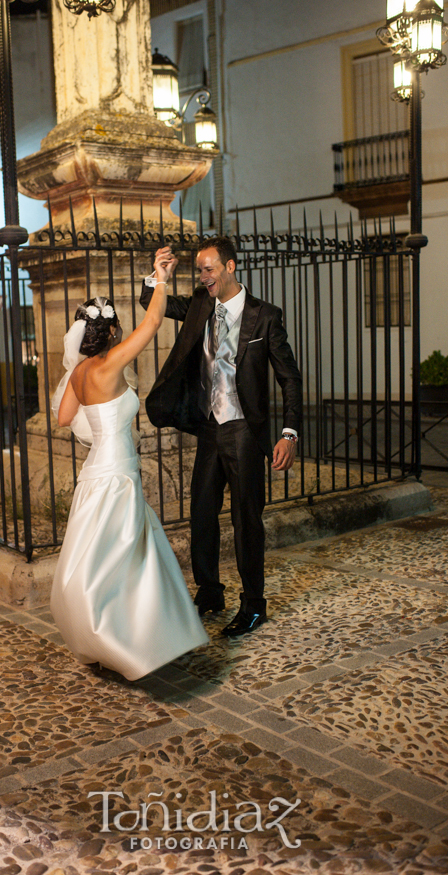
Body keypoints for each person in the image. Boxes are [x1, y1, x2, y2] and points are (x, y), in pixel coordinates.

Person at [49, 261, 209, 681]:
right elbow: (154, 320)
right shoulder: (111, 364)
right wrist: (159, 278)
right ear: (114, 332)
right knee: (124, 558)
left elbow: (65, 419)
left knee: (99, 558)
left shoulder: (78, 374)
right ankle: (129, 640)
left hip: (94, 471)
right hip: (118, 473)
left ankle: (105, 637)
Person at [140, 236, 303, 637]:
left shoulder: (265, 316)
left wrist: (289, 434)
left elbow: (290, 379)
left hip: (245, 428)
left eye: (209, 269)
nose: (203, 277)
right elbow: (153, 305)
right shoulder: (199, 304)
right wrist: (156, 277)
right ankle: (210, 590)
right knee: (201, 512)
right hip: (211, 426)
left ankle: (253, 604)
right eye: (199, 270)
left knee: (246, 517)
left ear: (230, 267)